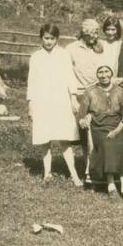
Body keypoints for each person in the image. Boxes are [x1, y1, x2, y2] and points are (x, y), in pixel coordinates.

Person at [27, 23, 82, 187]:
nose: (49, 41)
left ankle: (74, 175)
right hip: (42, 101)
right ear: (41, 38)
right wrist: (31, 104)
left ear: (57, 39)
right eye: (46, 38)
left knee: (64, 138)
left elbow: (70, 77)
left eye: (52, 38)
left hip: (60, 100)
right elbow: (32, 82)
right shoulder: (36, 57)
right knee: (45, 139)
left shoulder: (64, 55)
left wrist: (73, 98)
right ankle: (47, 173)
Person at [78, 65, 123, 197]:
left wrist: (119, 128)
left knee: (120, 145)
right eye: (100, 72)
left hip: (117, 126)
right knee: (107, 144)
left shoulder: (120, 91)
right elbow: (81, 113)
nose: (104, 75)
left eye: (106, 71)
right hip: (98, 128)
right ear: (97, 75)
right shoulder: (90, 91)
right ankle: (111, 183)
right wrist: (83, 121)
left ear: (112, 74)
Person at [67, 19, 109, 169]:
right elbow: (67, 74)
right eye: (92, 33)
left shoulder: (100, 47)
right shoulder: (71, 49)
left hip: (98, 93)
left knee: (100, 128)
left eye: (97, 33)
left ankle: (101, 164)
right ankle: (88, 166)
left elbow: (106, 69)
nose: (95, 36)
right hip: (80, 93)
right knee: (84, 131)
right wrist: (72, 97)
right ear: (84, 33)